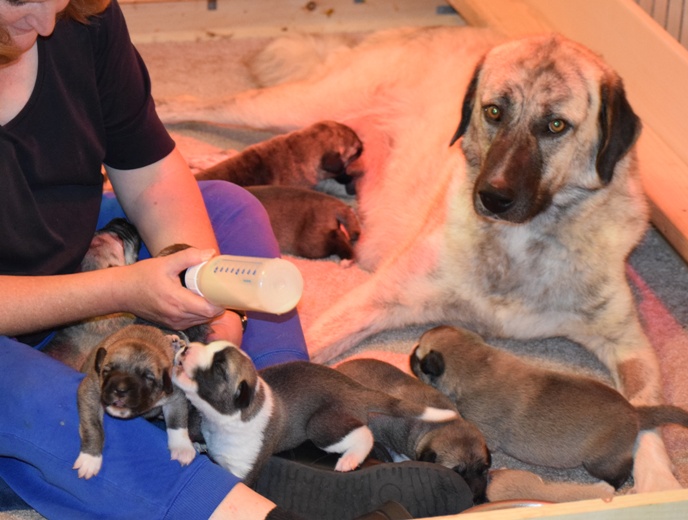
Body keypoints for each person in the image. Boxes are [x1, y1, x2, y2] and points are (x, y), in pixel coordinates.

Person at [0, 0, 472, 518]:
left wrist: (209, 291)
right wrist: (119, 290)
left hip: (66, 252)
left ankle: (280, 428)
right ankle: (230, 502)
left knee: (229, 207)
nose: (47, 20)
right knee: (29, 393)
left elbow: (151, 173)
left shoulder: (82, 16)